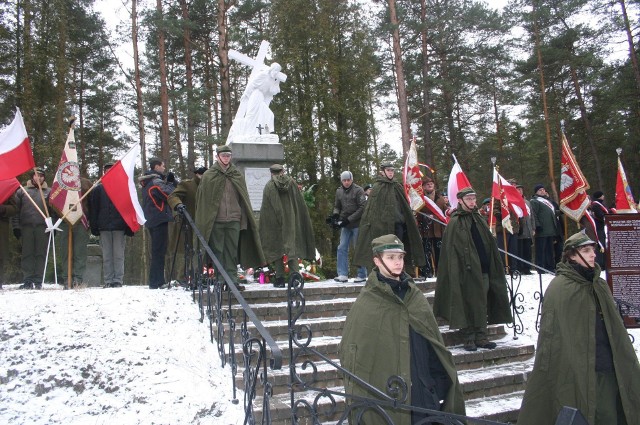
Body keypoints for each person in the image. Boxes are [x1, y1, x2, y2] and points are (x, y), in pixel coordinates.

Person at [339, 234, 465, 425]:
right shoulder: (367, 302)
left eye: (400, 257)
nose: (398, 262)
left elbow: (434, 345)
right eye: (391, 257)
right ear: (377, 261)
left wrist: (438, 385)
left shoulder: (415, 296)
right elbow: (354, 356)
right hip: (390, 396)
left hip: (423, 393)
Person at [517, 232, 640, 425]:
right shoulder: (560, 288)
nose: (593, 254)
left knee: (615, 413)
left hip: (610, 363)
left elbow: (615, 327)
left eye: (593, 250)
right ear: (572, 255)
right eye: (586, 250)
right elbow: (553, 337)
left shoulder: (599, 284)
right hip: (579, 368)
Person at [433, 187, 512, 352]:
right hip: (464, 271)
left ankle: (481, 336)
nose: (472, 202)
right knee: (467, 303)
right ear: (460, 201)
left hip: (483, 269)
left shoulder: (479, 218)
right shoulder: (455, 222)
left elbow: (488, 244)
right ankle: (468, 337)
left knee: (482, 302)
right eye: (468, 199)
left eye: (474, 199)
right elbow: (451, 251)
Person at [195, 145, 265, 290]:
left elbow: (243, 198)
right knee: (218, 251)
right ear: (217, 157)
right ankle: (220, 280)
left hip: (234, 219)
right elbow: (203, 200)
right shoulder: (209, 175)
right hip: (216, 220)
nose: (226, 158)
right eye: (223, 155)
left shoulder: (236, 174)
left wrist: (243, 217)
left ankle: (232, 281)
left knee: (232, 252)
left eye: (228, 155)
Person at [353, 163, 425, 272]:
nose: (391, 172)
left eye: (392, 170)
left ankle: (400, 271)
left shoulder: (397, 186)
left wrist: (406, 218)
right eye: (388, 170)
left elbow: (404, 205)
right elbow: (371, 210)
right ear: (383, 172)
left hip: (398, 224)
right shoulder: (377, 187)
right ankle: (384, 271)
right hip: (382, 226)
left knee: (399, 249)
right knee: (385, 250)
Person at [259, 164, 315, 288]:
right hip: (291, 221)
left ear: (271, 173)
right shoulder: (292, 184)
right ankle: (295, 277)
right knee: (292, 248)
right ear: (282, 171)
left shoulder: (269, 186)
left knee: (277, 248)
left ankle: (279, 278)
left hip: (275, 224)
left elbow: (266, 209)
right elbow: (299, 203)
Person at [89, 164, 133, 288]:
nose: (109, 173)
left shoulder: (123, 188)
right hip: (104, 226)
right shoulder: (98, 189)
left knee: (118, 255)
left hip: (119, 226)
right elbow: (94, 209)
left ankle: (118, 280)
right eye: (107, 171)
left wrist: (129, 226)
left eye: (112, 171)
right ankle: (108, 280)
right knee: (107, 255)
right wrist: (94, 226)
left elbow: (128, 208)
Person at [139, 158, 176, 289]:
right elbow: (168, 194)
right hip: (158, 218)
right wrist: (172, 183)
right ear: (156, 167)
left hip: (152, 218)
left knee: (157, 250)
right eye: (162, 165)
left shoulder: (147, 181)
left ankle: (157, 280)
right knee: (159, 251)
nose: (164, 168)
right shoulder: (155, 181)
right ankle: (156, 282)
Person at [167, 166, 206, 285]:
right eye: (201, 174)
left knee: (201, 252)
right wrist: (178, 205)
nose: (202, 177)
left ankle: (198, 277)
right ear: (197, 174)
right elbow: (173, 196)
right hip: (188, 223)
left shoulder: (210, 186)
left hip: (204, 224)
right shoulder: (187, 185)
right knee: (187, 251)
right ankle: (182, 277)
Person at [12, 168, 50, 289]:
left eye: (41, 176)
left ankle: (39, 279)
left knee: (40, 254)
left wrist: (52, 227)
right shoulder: (22, 191)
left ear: (44, 178)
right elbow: (15, 211)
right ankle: (28, 279)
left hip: (43, 228)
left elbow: (54, 212)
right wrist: (16, 227)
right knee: (27, 254)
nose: (38, 178)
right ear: (32, 177)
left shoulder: (49, 192)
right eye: (36, 175)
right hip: (26, 227)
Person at [57, 177, 92, 287]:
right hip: (64, 221)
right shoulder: (60, 182)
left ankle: (78, 278)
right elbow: (53, 201)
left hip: (81, 221)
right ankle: (67, 278)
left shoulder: (86, 183)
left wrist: (91, 219)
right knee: (66, 252)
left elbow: (92, 203)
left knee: (79, 252)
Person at [332, 170, 367, 283]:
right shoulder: (339, 191)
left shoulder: (358, 190)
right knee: (342, 248)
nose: (346, 182)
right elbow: (337, 206)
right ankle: (342, 274)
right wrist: (336, 215)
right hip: (345, 224)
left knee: (358, 248)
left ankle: (361, 274)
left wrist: (349, 220)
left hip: (357, 224)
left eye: (348, 180)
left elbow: (362, 208)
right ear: (341, 181)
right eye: (344, 180)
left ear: (352, 180)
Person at [417, 176, 447, 273]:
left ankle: (441, 272)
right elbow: (417, 213)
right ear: (423, 187)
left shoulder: (440, 199)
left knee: (440, 253)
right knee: (427, 252)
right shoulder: (420, 199)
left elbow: (445, 212)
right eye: (427, 184)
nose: (430, 185)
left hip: (439, 231)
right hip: (426, 230)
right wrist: (426, 216)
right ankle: (427, 272)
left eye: (431, 183)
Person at [529, 184, 558, 272]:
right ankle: (540, 267)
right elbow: (534, 214)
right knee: (541, 249)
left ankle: (549, 266)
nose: (542, 191)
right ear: (536, 192)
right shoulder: (535, 201)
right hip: (542, 229)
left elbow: (551, 213)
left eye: (543, 190)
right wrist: (537, 225)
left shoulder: (547, 201)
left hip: (550, 229)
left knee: (549, 249)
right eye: (540, 190)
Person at [516, 184, 535, 274]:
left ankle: (527, 268)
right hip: (520, 231)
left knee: (528, 251)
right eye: (518, 189)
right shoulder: (514, 201)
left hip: (528, 230)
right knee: (520, 251)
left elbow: (532, 217)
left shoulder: (527, 202)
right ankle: (520, 268)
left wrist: (533, 228)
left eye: (521, 189)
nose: (519, 191)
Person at [0, 195, 18, 288]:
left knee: (1, 255)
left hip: (1, 226)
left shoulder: (6, 190)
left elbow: (14, 208)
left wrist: (3, 208)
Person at [590, 190, 609, 269]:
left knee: (603, 244)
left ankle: (604, 263)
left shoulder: (599, 204)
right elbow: (600, 215)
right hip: (598, 228)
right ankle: (600, 263)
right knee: (600, 246)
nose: (603, 196)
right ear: (600, 196)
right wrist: (606, 218)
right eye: (602, 195)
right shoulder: (596, 205)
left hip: (600, 227)